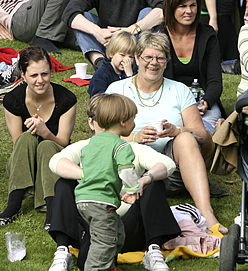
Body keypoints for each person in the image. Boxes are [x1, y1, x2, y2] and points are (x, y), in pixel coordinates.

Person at [105, 31, 225, 232]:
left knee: (186, 138)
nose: (154, 63)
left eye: (160, 58)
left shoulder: (179, 90)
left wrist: (177, 130)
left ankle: (207, 213)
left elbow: (204, 137)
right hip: (129, 170)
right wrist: (136, 137)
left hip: (172, 172)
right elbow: (101, 137)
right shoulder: (118, 90)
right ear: (136, 58)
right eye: (148, 57)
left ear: (167, 61)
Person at [47, 94, 178, 271]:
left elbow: (167, 164)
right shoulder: (86, 146)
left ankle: (153, 249)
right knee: (64, 183)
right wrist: (87, 174)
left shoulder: (129, 147)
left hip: (126, 223)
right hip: (93, 220)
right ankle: (63, 250)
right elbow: (56, 162)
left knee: (154, 183)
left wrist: (145, 179)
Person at [0, 47, 77, 225]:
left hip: (57, 161)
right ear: (23, 75)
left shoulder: (66, 99)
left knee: (47, 145)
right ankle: (14, 204)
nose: (40, 80)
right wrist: (34, 132)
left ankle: (52, 208)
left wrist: (46, 133)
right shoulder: (12, 100)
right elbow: (19, 147)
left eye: (45, 74)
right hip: (25, 164)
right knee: (26, 138)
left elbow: (63, 143)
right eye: (33, 76)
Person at [74, 93, 142, 271]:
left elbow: (93, 170)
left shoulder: (91, 143)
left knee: (117, 233)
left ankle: (109, 266)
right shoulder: (121, 146)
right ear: (122, 121)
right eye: (133, 119)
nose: (135, 124)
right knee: (104, 242)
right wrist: (133, 190)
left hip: (84, 200)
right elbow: (126, 171)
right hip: (101, 202)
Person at [152, 0, 224, 130]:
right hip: (167, 99)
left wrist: (206, 102)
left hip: (201, 100)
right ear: (171, 8)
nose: (189, 11)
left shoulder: (208, 35)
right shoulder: (157, 35)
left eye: (193, 5)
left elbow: (215, 81)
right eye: (182, 6)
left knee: (204, 132)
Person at [88, 30, 136, 96]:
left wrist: (130, 76)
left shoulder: (132, 73)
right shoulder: (101, 75)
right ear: (111, 53)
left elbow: (136, 95)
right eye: (122, 55)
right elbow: (97, 99)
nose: (126, 60)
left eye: (131, 57)